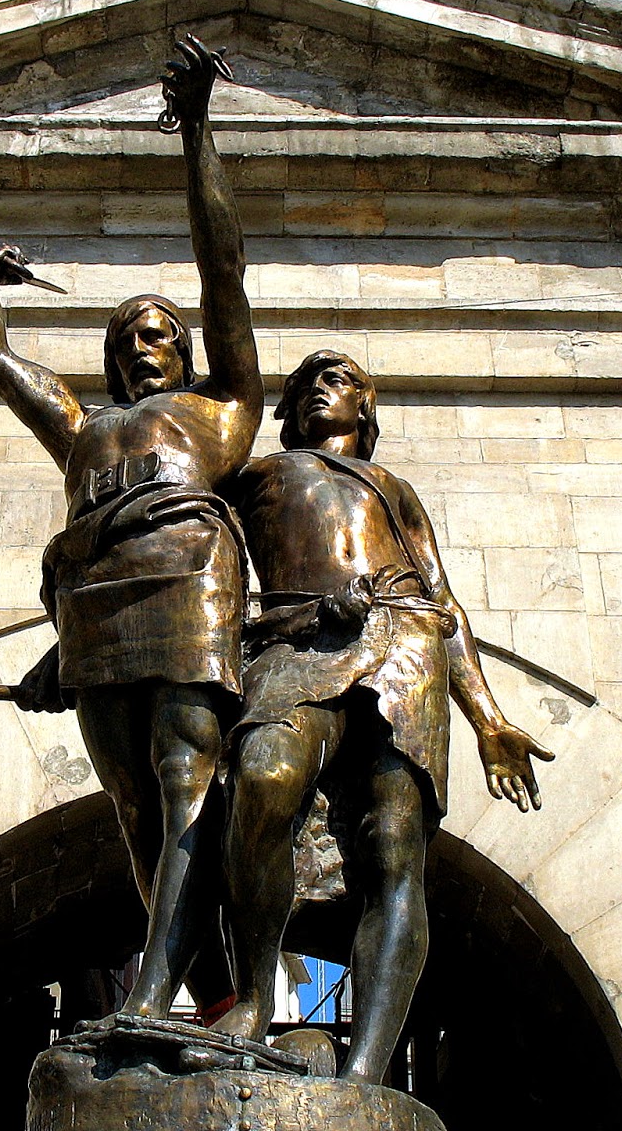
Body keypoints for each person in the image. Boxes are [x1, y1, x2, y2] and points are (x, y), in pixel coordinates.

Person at [0, 37, 260, 1019]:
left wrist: (198, 131)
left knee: (186, 781)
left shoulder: (221, 410)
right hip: (93, 602)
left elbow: (223, 268)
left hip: (188, 581)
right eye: (126, 337)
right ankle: (211, 995)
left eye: (159, 331)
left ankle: (157, 992)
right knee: (135, 809)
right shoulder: (83, 429)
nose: (142, 344)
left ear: (186, 349)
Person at [213, 350, 554, 1082]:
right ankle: (254, 998)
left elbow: (444, 603)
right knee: (263, 778)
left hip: (405, 646)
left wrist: (489, 720)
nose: (316, 391)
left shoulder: (395, 489)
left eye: (335, 380)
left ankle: (365, 1070)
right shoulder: (255, 477)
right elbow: (199, 573)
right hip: (299, 642)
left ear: (364, 404)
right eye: (302, 386)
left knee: (394, 850)